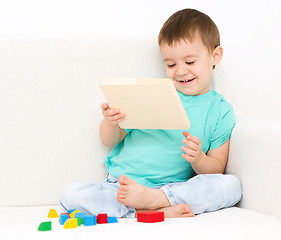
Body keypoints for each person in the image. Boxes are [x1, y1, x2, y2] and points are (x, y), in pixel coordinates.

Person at [60, 8, 242, 218]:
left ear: (215, 56)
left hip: (173, 187)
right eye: (171, 64)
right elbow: (108, 140)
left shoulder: (221, 111)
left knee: (231, 185)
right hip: (120, 185)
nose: (181, 71)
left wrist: (198, 158)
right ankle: (152, 209)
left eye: (190, 62)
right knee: (70, 195)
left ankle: (155, 201)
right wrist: (111, 123)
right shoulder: (150, 93)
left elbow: (216, 168)